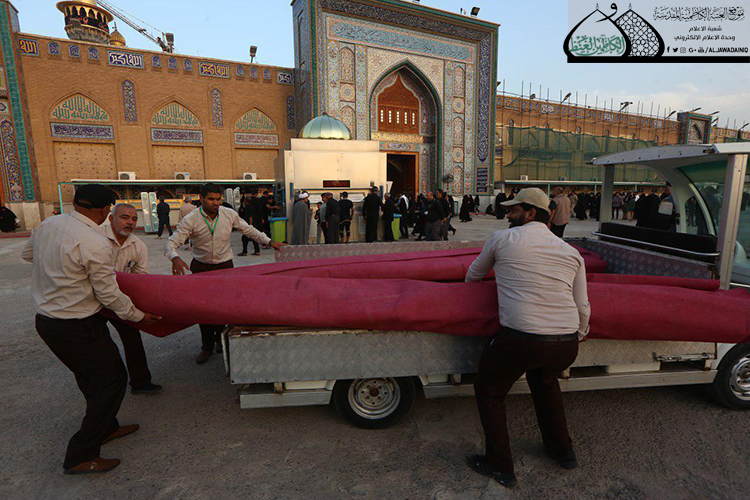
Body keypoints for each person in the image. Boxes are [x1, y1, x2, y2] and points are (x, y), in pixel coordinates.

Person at [22, 184, 161, 475]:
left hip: (48, 321)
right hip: (77, 324)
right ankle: (81, 455)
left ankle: (107, 427)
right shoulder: (95, 242)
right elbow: (108, 293)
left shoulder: (48, 225)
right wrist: (137, 316)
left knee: (90, 378)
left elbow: (28, 255)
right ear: (105, 211)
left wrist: (59, 272)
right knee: (112, 380)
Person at [465, 188, 590, 488]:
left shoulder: (502, 239)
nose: (508, 214)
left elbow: (473, 276)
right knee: (545, 381)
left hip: (521, 339)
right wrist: (579, 334)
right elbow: (583, 306)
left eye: (514, 210)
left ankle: (500, 466)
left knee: (489, 390)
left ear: (531, 213)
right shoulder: (570, 252)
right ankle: (563, 452)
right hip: (566, 342)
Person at [165, 183, 285, 364]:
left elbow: (248, 230)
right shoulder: (191, 219)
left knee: (223, 306)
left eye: (218, 199)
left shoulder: (229, 214)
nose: (215, 203)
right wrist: (174, 257)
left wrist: (269, 241)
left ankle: (221, 340)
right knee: (202, 310)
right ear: (201, 199)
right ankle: (207, 347)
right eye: (211, 199)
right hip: (201, 268)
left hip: (225, 267)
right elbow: (171, 242)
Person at [102, 204, 162, 395]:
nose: (130, 222)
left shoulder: (138, 246)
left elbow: (140, 279)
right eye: (124, 217)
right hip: (92, 300)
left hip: (120, 298)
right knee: (99, 344)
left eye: (134, 219)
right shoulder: (95, 239)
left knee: (132, 338)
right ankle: (106, 386)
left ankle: (140, 382)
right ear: (111, 218)